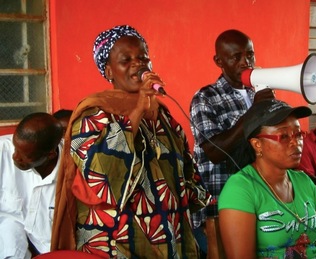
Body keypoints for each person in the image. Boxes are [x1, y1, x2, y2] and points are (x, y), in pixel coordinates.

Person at [50, 25, 210, 258]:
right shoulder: (92, 114)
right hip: (116, 243)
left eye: (143, 57)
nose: (138, 64)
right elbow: (102, 174)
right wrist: (136, 112)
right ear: (109, 71)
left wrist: (185, 198)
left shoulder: (163, 115)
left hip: (171, 238)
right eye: (126, 60)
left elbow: (187, 172)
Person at [218, 99, 316, 258]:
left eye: (298, 134)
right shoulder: (240, 189)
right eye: (283, 136)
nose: (296, 143)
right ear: (257, 144)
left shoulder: (303, 181)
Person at [189, 29, 275, 258]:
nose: (245, 62)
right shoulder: (205, 98)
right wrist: (254, 112)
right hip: (220, 207)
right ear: (219, 61)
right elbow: (214, 151)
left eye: (250, 55)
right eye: (235, 57)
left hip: (260, 200)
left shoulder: (259, 92)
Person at [0, 112, 63, 258]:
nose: (15, 157)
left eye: (24, 156)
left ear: (50, 155)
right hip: (7, 236)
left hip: (51, 249)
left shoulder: (71, 170)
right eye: (15, 147)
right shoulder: (3, 150)